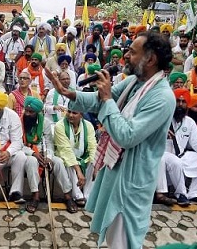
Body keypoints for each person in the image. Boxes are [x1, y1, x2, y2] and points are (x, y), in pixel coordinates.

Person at [45, 31, 175, 249]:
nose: (126, 56)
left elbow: (127, 136)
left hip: (132, 178)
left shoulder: (162, 97)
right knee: (114, 233)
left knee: (124, 237)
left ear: (150, 59)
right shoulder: (135, 81)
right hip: (116, 167)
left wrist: (106, 98)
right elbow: (100, 101)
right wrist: (68, 93)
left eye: (132, 53)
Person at [53, 108, 97, 212]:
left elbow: (92, 146)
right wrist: (78, 171)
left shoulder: (88, 126)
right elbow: (66, 150)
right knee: (69, 162)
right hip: (64, 155)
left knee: (94, 161)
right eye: (69, 111)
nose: (70, 115)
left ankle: (88, 195)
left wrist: (96, 166)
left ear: (81, 115)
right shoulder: (60, 125)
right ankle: (77, 195)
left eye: (74, 112)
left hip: (83, 156)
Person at [20, 96, 54, 213]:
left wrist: (48, 157)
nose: (28, 114)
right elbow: (17, 143)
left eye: (31, 112)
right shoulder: (19, 121)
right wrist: (33, 153)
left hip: (41, 152)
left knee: (45, 161)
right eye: (26, 110)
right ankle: (35, 195)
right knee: (32, 161)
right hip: (23, 152)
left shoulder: (45, 122)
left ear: (38, 112)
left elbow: (49, 142)